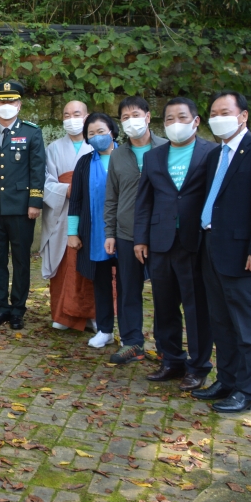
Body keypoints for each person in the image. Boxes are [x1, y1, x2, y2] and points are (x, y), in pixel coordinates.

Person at [193, 90, 251, 413]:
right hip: (211, 250)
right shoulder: (216, 155)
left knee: (247, 327)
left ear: (243, 115)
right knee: (221, 322)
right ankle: (227, 380)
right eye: (214, 113)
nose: (218, 117)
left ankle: (247, 391)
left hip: (245, 257)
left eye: (225, 111)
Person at [134, 97, 215, 390]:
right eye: (169, 119)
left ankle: (199, 366)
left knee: (196, 307)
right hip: (160, 242)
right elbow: (144, 201)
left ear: (196, 121)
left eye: (182, 117)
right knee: (164, 305)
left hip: (195, 242)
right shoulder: (154, 157)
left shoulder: (212, 153)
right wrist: (140, 238)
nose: (175, 124)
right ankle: (171, 360)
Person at [103, 96, 167, 365]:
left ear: (149, 116)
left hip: (162, 233)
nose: (132, 121)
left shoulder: (168, 148)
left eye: (136, 115)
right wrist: (110, 232)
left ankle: (167, 346)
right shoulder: (118, 155)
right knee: (129, 289)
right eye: (125, 117)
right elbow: (112, 197)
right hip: (127, 232)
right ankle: (132, 342)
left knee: (166, 291)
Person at [0, 80, 45, 330]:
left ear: (18, 105)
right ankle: (1, 307)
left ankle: (18, 308)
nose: (5, 105)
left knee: (20, 260)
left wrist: (35, 201)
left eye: (10, 101)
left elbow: (37, 169)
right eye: (1, 102)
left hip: (21, 209)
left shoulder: (32, 132)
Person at [67, 113, 121, 350]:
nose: (97, 137)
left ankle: (131, 335)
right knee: (101, 283)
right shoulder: (85, 163)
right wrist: (73, 233)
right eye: (91, 133)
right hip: (95, 232)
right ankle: (105, 330)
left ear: (112, 131)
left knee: (127, 284)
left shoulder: (128, 157)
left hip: (125, 232)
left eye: (101, 131)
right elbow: (76, 200)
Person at [40, 100, 94, 332]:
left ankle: (93, 315)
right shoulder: (53, 148)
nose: (71, 118)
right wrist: (68, 190)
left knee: (92, 263)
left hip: (92, 212)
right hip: (63, 213)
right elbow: (46, 182)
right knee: (65, 263)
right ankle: (62, 314)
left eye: (77, 113)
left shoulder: (99, 145)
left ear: (87, 116)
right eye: (66, 114)